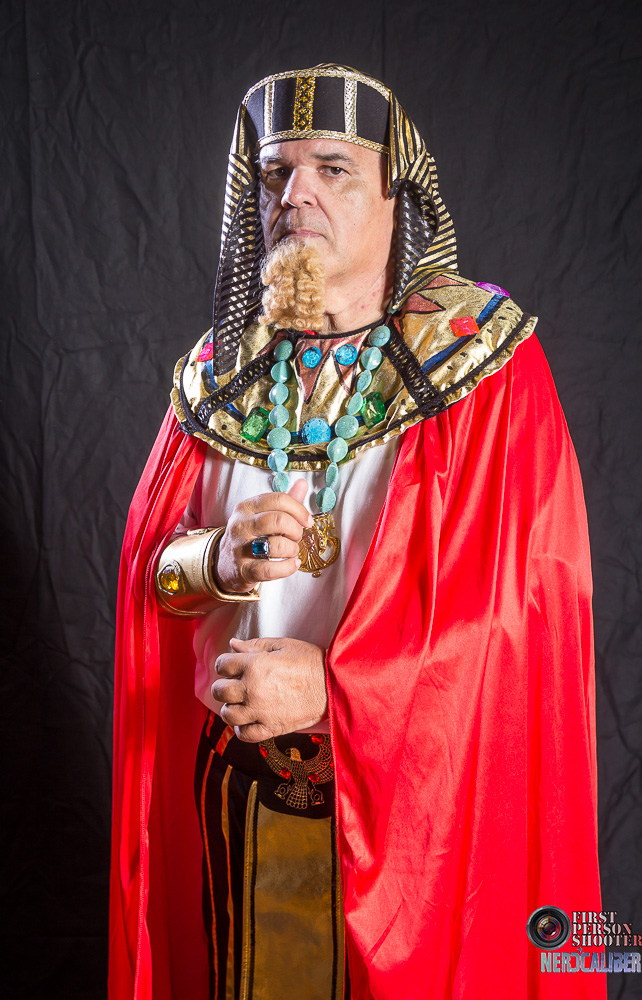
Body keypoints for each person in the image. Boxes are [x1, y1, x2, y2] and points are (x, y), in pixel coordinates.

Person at [109, 64, 604, 1000]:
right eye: (273, 173)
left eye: (331, 168)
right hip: (237, 802)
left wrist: (334, 695)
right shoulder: (217, 374)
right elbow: (152, 582)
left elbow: (522, 618)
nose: (292, 194)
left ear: (395, 194)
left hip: (421, 825)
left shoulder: (481, 363)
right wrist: (217, 561)